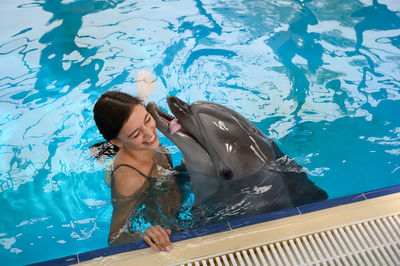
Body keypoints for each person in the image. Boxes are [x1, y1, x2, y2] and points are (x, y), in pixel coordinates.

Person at [93, 90, 182, 252]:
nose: (150, 134)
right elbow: (115, 238)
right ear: (116, 142)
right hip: (164, 222)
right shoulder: (129, 179)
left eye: (147, 120)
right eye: (136, 134)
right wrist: (145, 236)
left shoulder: (149, 142)